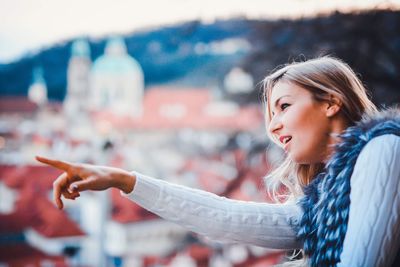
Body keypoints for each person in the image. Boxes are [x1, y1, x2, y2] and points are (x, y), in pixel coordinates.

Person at [36, 56, 400, 267]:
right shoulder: (325, 196)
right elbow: (227, 218)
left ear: (331, 102)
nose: (273, 126)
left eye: (284, 106)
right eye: (269, 114)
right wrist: (125, 180)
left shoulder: (382, 150)